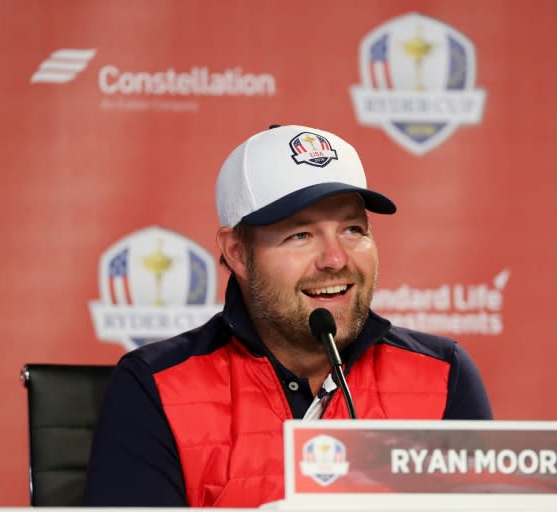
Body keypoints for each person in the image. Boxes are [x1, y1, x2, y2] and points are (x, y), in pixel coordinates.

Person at [84, 124, 492, 508]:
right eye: (301, 235)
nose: (335, 259)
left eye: (353, 229)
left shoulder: (442, 375)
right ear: (237, 253)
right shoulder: (155, 386)